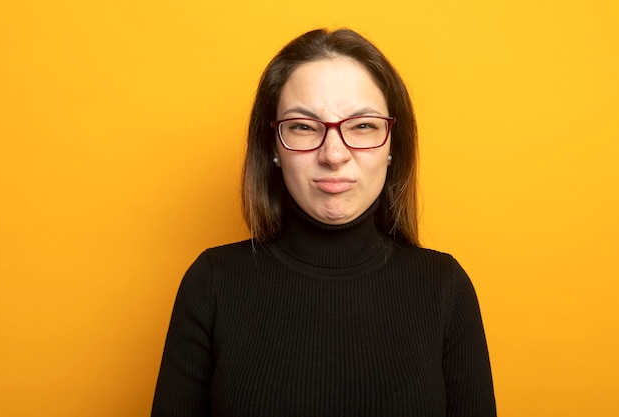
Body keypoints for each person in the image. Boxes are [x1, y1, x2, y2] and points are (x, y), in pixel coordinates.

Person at [151, 28, 496, 417]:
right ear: (274, 147)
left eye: (362, 126)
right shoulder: (211, 283)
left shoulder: (444, 287)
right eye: (303, 126)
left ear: (391, 147)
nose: (334, 154)